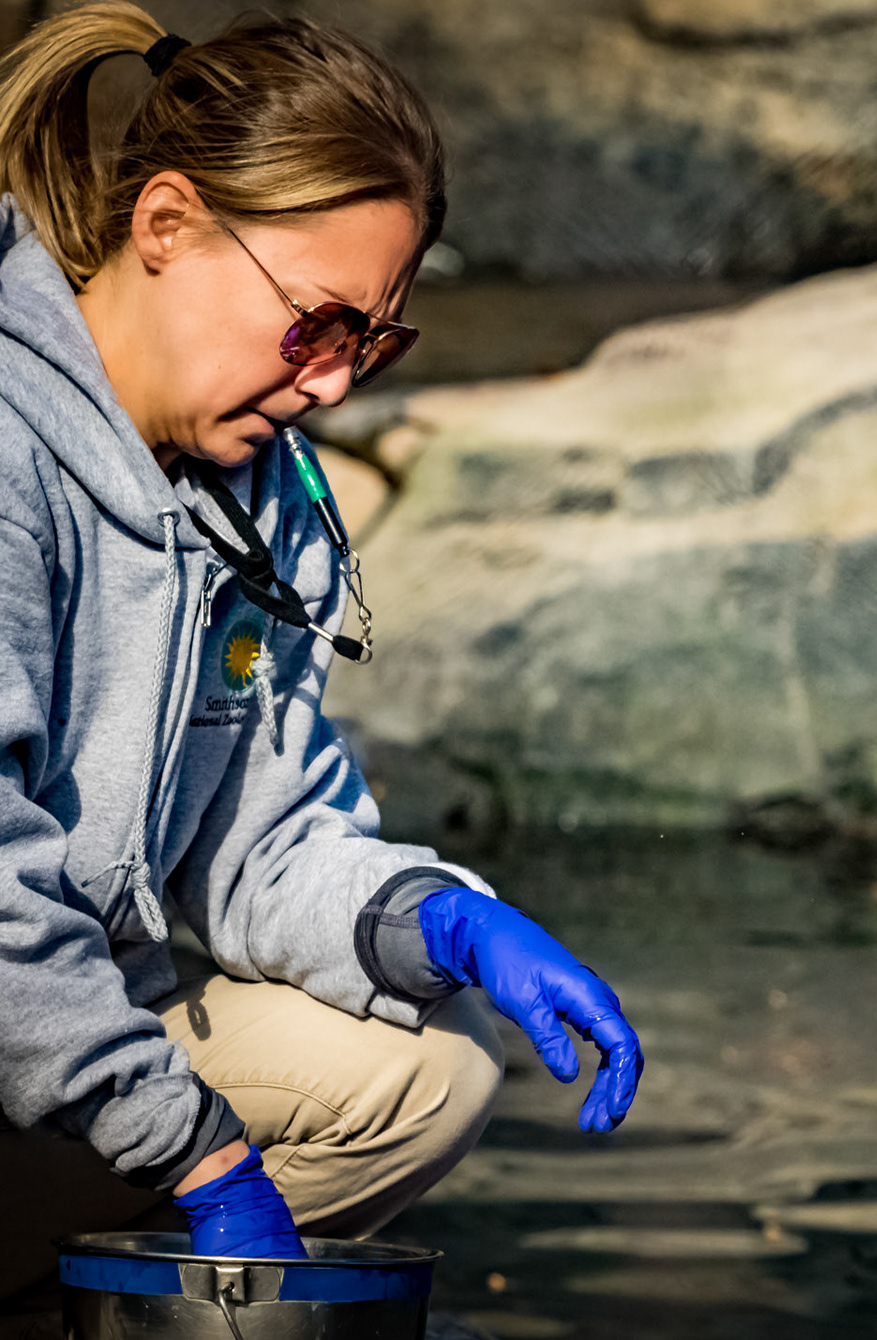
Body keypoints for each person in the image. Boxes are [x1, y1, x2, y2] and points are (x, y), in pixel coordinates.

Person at [0, 1, 641, 1287]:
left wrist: (438, 919)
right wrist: (198, 1158)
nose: (337, 382)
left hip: (47, 1055)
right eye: (316, 322)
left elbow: (262, 842)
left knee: (425, 1073)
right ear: (168, 225)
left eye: (372, 340)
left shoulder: (262, 501)